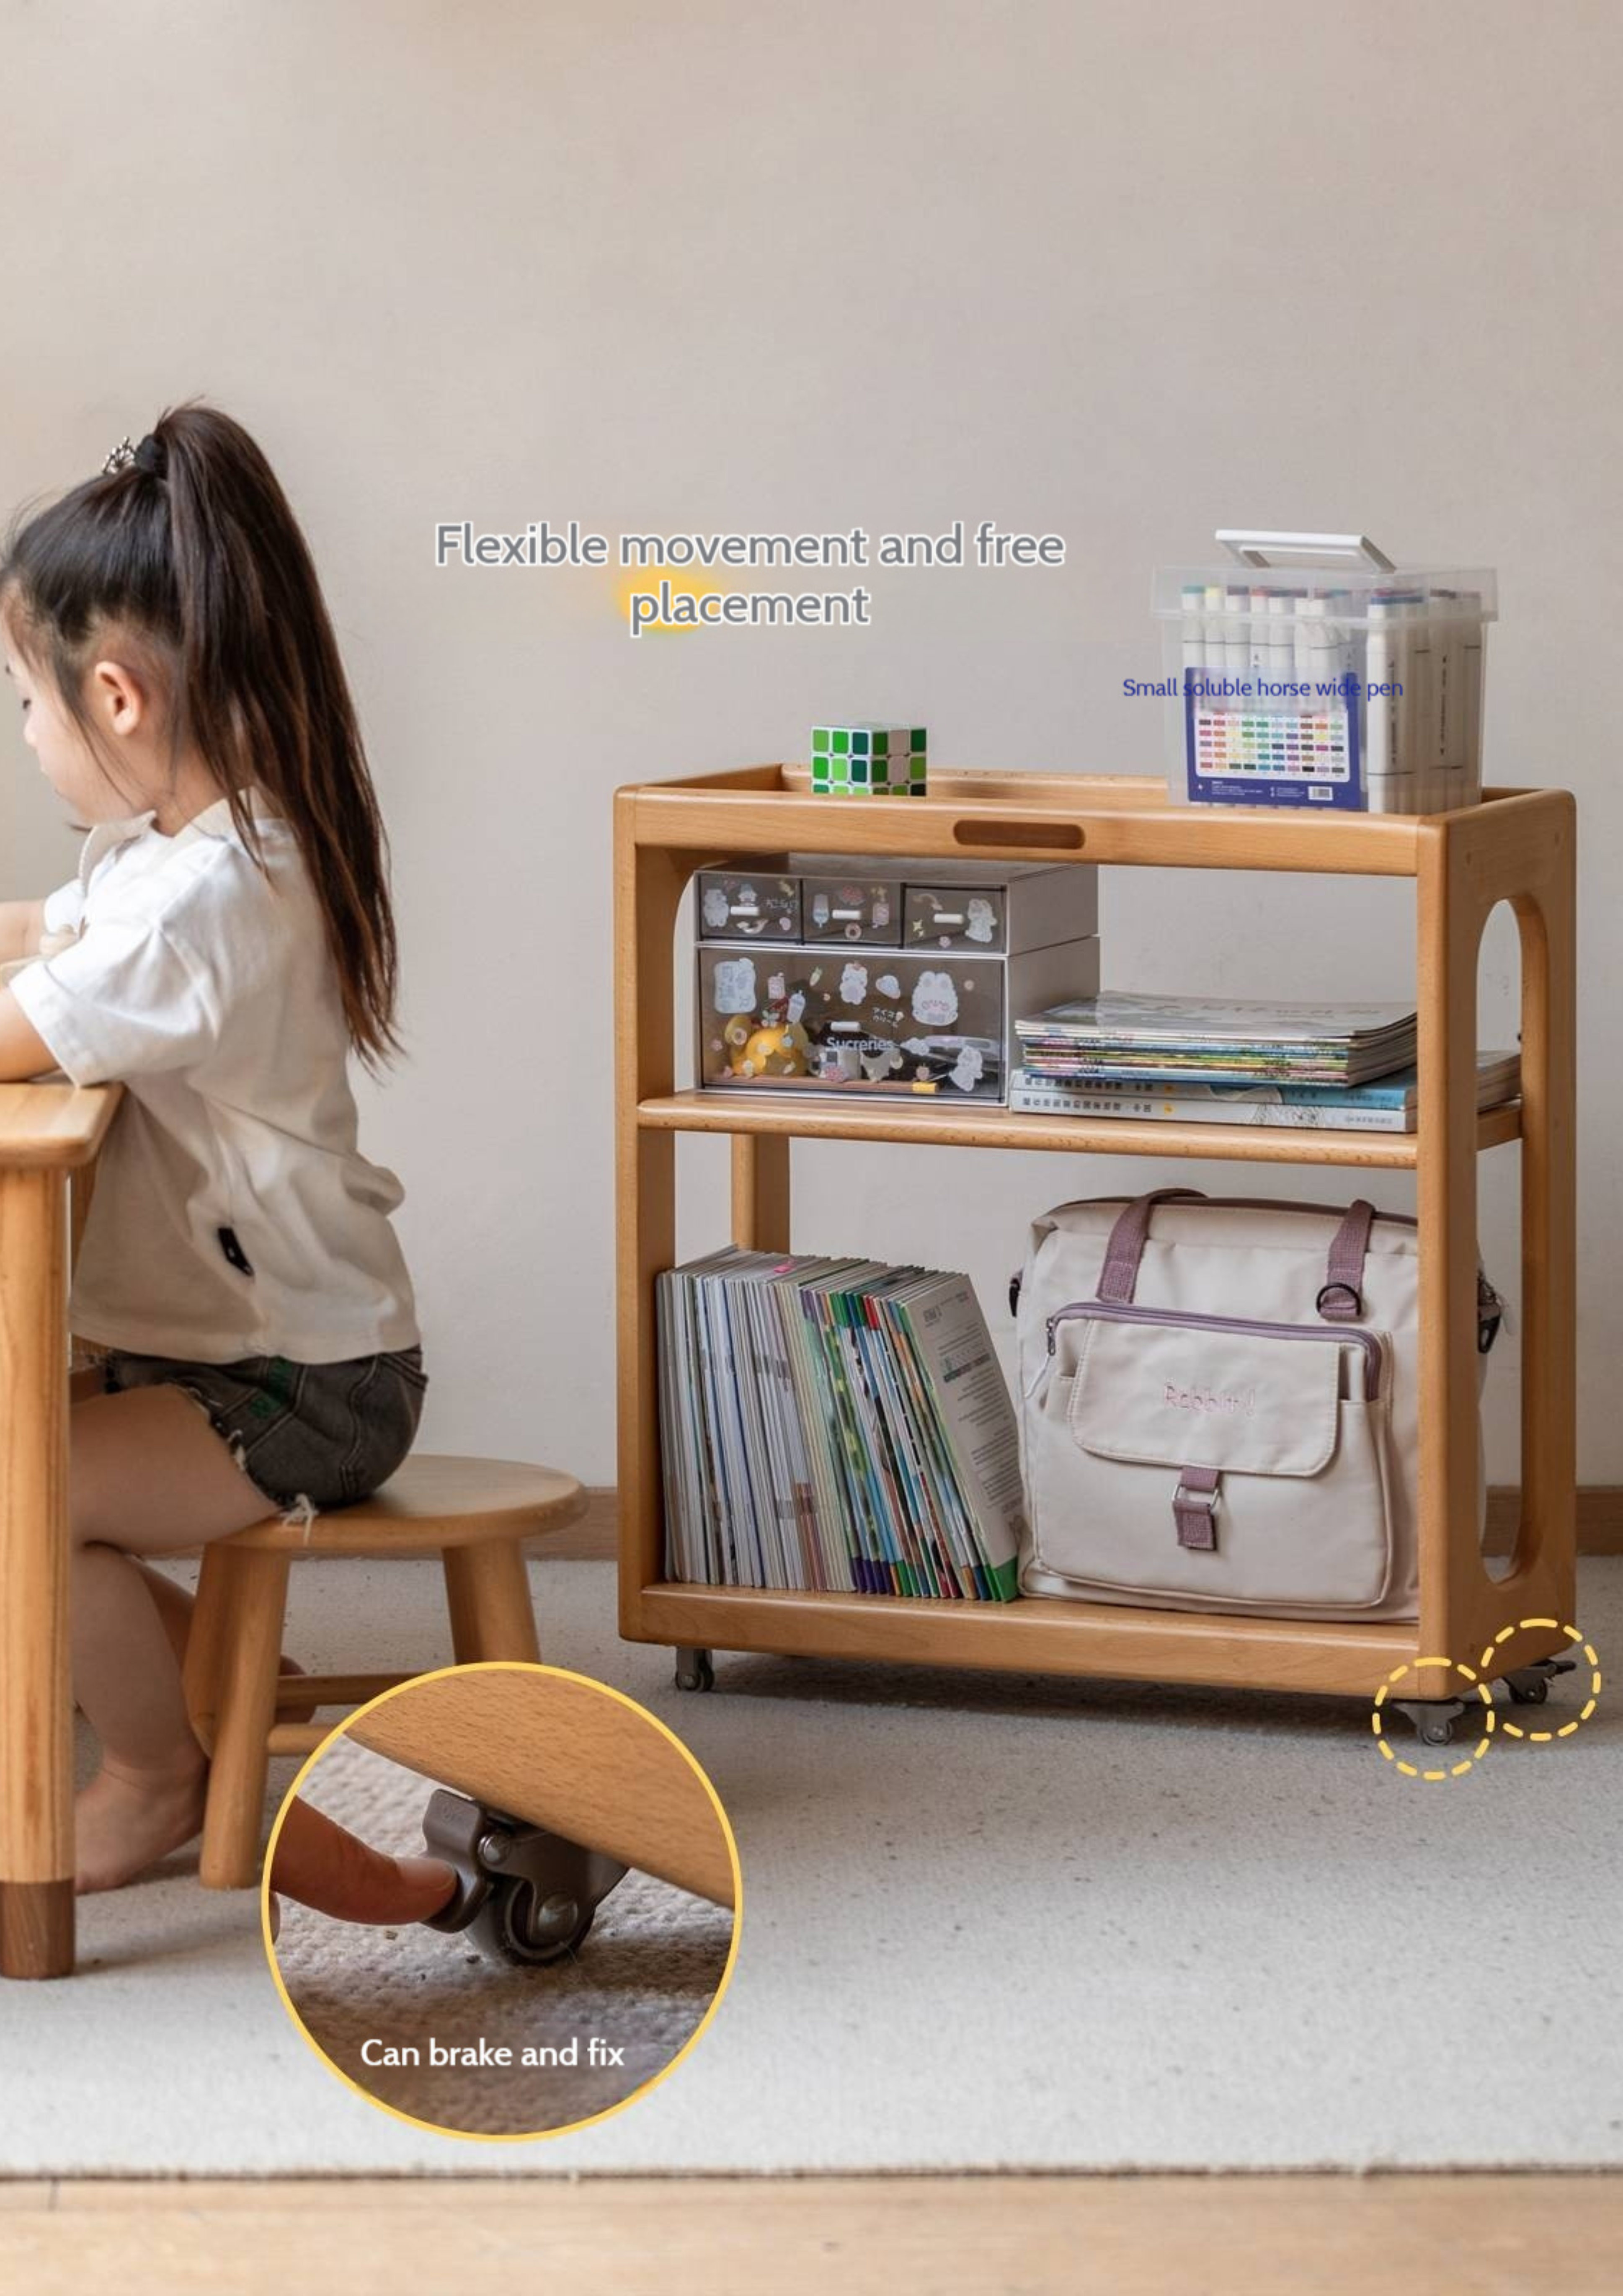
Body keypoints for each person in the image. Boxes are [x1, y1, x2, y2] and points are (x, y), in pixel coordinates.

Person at [0, 404, 427, 1894]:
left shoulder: (208, 903)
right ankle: (219, 1713)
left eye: (29, 713)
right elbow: (42, 941)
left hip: (293, 1384)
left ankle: (159, 1767)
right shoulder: (188, 854)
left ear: (113, 698)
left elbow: (25, 1023)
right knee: (18, 1480)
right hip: (245, 1350)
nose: (33, 744)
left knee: (8, 1491)